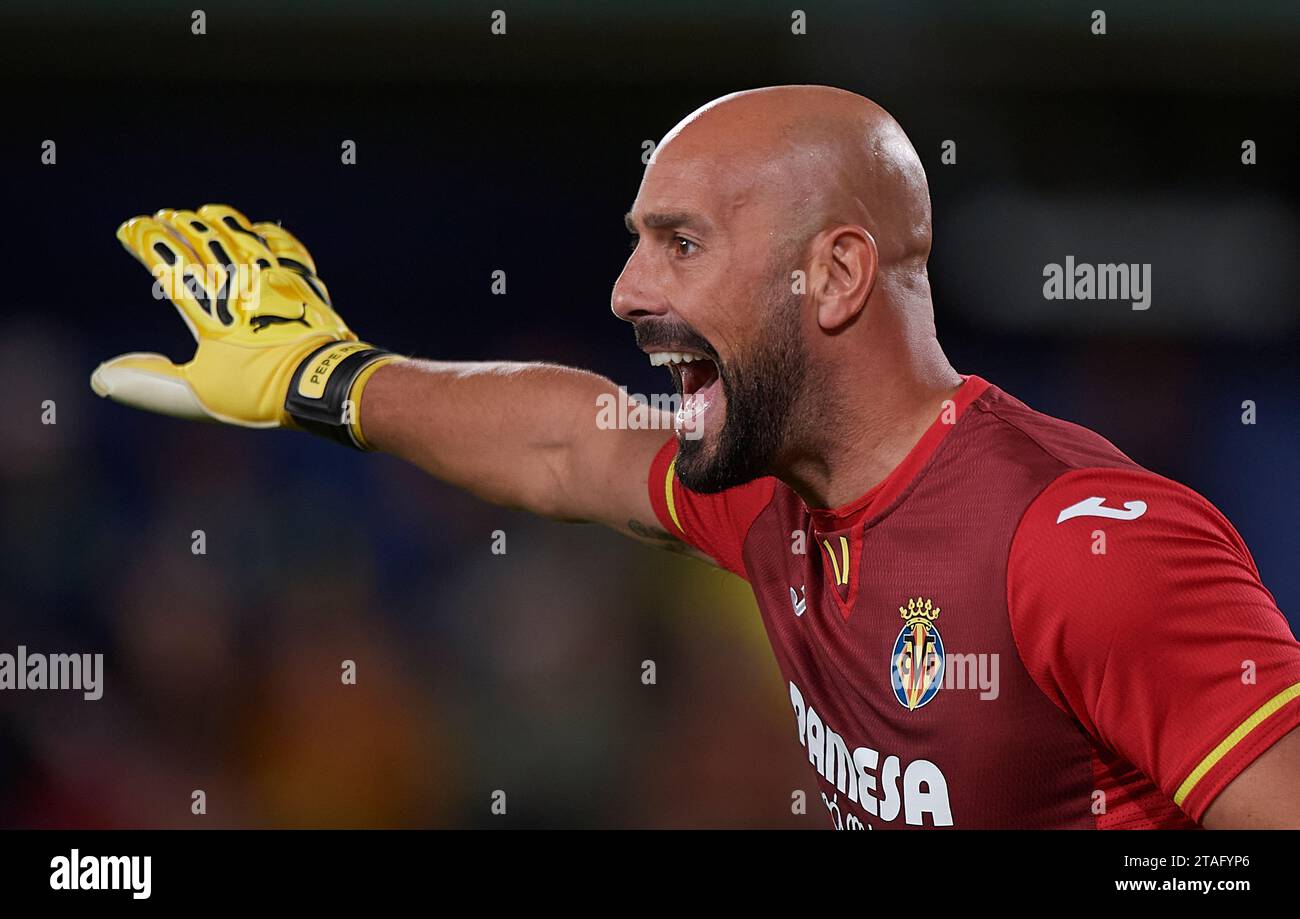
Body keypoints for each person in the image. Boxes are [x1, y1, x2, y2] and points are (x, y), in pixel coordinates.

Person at [92, 85, 1300, 829]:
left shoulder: (1079, 546)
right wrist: (331, 380)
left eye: (680, 243)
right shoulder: (768, 488)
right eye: (637, 244)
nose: (626, 291)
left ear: (833, 275)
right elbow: (569, 441)